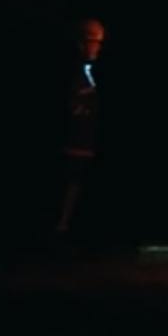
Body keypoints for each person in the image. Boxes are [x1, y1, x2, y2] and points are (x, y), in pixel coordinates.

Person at [56, 17, 106, 236]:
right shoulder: (73, 72)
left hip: (88, 141)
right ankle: (61, 228)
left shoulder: (93, 72)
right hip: (74, 140)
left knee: (78, 186)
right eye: (92, 41)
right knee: (70, 185)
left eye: (99, 42)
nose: (96, 47)